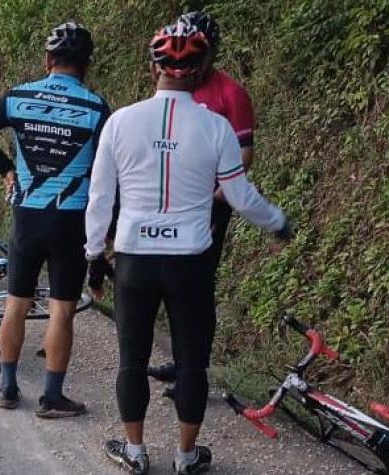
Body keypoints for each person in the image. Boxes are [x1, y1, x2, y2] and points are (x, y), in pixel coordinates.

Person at [85, 23, 292, 474]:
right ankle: (185, 457)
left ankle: (135, 452)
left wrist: (92, 258)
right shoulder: (216, 127)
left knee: (132, 360)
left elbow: (100, 198)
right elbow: (241, 197)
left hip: (134, 259)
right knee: (193, 362)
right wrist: (278, 222)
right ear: (201, 70)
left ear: (152, 67)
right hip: (191, 262)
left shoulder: (120, 121)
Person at [0, 22, 109, 418]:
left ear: (48, 60)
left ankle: (7, 388)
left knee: (17, 303)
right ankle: (52, 397)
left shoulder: (19, 96)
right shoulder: (97, 108)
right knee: (61, 309)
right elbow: (107, 173)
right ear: (86, 66)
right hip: (71, 220)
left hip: (27, 216)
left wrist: (6, 168)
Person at [147, 10, 259, 395]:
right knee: (168, 282)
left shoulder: (231, 94)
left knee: (197, 287)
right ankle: (181, 361)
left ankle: (194, 371)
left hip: (210, 202)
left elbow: (244, 156)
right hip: (169, 198)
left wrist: (215, 197)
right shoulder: (173, 81)